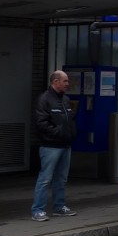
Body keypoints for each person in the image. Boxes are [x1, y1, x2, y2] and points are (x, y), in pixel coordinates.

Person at [31, 70, 78, 221]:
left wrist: (70, 133)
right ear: (55, 82)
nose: (67, 84)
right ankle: (38, 210)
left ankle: (59, 207)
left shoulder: (65, 100)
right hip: (50, 146)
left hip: (65, 145)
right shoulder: (44, 99)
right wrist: (59, 133)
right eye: (65, 81)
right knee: (45, 179)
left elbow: (69, 120)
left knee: (61, 179)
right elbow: (41, 123)